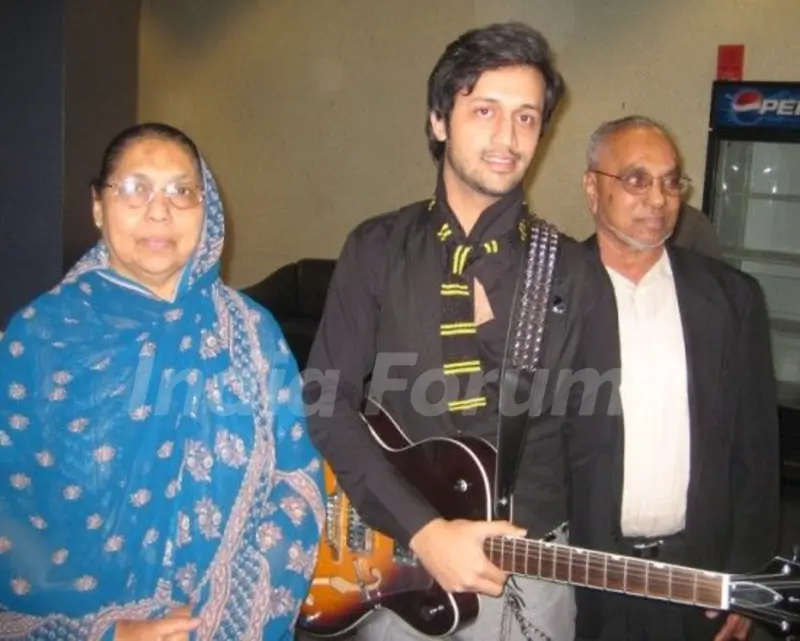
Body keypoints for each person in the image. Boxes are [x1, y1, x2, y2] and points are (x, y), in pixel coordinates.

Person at [303, 22, 587, 641]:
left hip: (531, 570)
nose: (507, 138)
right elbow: (326, 404)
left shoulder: (569, 268)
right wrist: (425, 531)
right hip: (401, 558)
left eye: (527, 118)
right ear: (439, 121)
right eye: (485, 110)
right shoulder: (376, 248)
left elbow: (592, 432)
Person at [0, 123, 325, 640]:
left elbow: (295, 484)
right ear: (98, 207)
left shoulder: (249, 332)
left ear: (207, 207)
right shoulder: (38, 339)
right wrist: (111, 633)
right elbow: (12, 513)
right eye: (134, 188)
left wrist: (217, 619)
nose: (160, 211)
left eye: (181, 191)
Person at [568, 115, 780, 641]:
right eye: (636, 179)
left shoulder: (731, 299)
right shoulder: (549, 297)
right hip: (580, 579)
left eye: (670, 181)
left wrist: (748, 579)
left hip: (695, 581)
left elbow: (756, 451)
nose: (658, 198)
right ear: (593, 189)